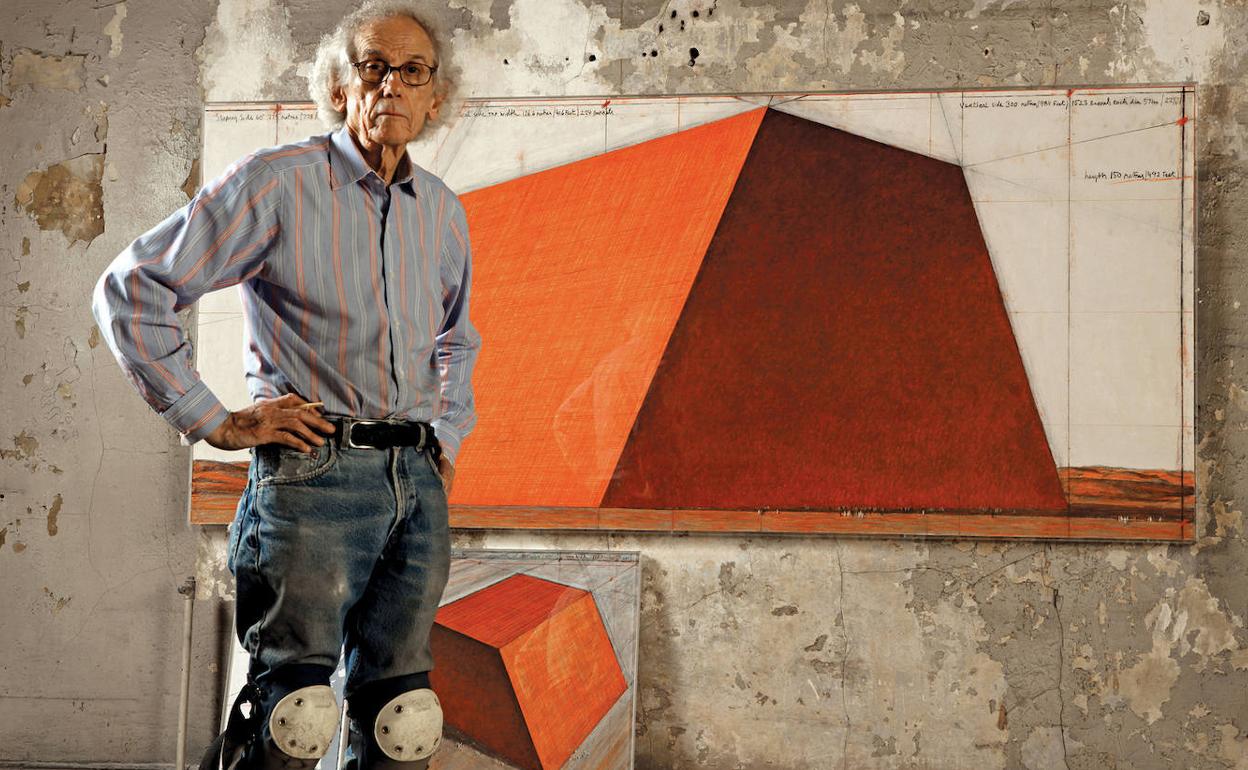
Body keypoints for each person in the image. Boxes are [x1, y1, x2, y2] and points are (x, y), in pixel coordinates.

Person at [91, 1, 480, 767]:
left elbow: (456, 339)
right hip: (312, 475)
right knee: (295, 714)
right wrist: (214, 419)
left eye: (412, 71)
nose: (392, 85)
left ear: (434, 98)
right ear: (339, 88)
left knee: (404, 718)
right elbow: (134, 288)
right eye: (373, 67)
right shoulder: (277, 183)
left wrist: (447, 435)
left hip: (417, 480)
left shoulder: (441, 210)